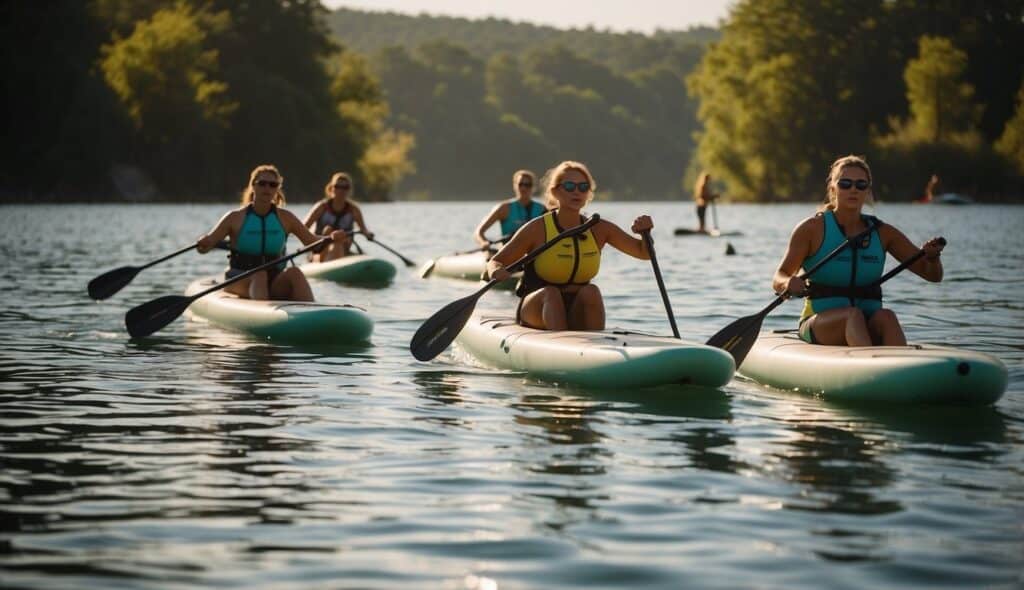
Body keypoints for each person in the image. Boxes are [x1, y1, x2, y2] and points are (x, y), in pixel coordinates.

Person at [772, 155, 945, 347]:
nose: (853, 189)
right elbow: (779, 276)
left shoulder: (883, 232)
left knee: (887, 317)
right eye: (845, 183)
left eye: (860, 185)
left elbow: (932, 276)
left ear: (868, 191)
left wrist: (933, 257)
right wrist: (788, 282)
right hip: (819, 324)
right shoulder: (811, 229)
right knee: (852, 316)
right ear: (833, 188)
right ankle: (871, 366)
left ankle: (899, 366)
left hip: (867, 324)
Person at [487, 161, 653, 331]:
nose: (576, 191)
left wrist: (645, 234)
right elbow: (496, 261)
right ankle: (560, 345)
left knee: (592, 292)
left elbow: (643, 253)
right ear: (555, 191)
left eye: (583, 187)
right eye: (569, 186)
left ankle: (597, 348)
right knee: (551, 294)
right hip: (538, 307)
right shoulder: (537, 229)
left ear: (589, 193)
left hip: (576, 308)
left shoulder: (599, 228)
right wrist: (496, 271)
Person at [196, 164, 345, 301]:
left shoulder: (286, 218)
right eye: (262, 183)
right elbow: (207, 245)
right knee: (259, 275)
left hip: (274, 279)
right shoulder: (234, 218)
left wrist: (330, 238)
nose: (267, 188)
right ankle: (264, 316)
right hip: (238, 278)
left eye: (273, 185)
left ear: (277, 189)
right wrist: (204, 242)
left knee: (295, 272)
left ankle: (313, 316)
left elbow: (313, 243)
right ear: (253, 186)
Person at [302, 172, 373, 262]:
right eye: (337, 186)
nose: (341, 190)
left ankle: (336, 259)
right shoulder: (321, 207)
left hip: (344, 248)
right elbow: (303, 228)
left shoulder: (354, 209)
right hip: (320, 251)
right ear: (331, 188)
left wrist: (368, 234)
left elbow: (364, 230)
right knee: (328, 230)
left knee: (340, 238)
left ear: (349, 190)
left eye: (345, 187)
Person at [474, 169, 546, 248]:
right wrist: (483, 243)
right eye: (520, 184)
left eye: (527, 185)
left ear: (533, 187)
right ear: (515, 185)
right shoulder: (504, 208)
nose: (523, 188)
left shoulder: (542, 209)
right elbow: (479, 232)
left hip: (533, 252)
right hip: (508, 253)